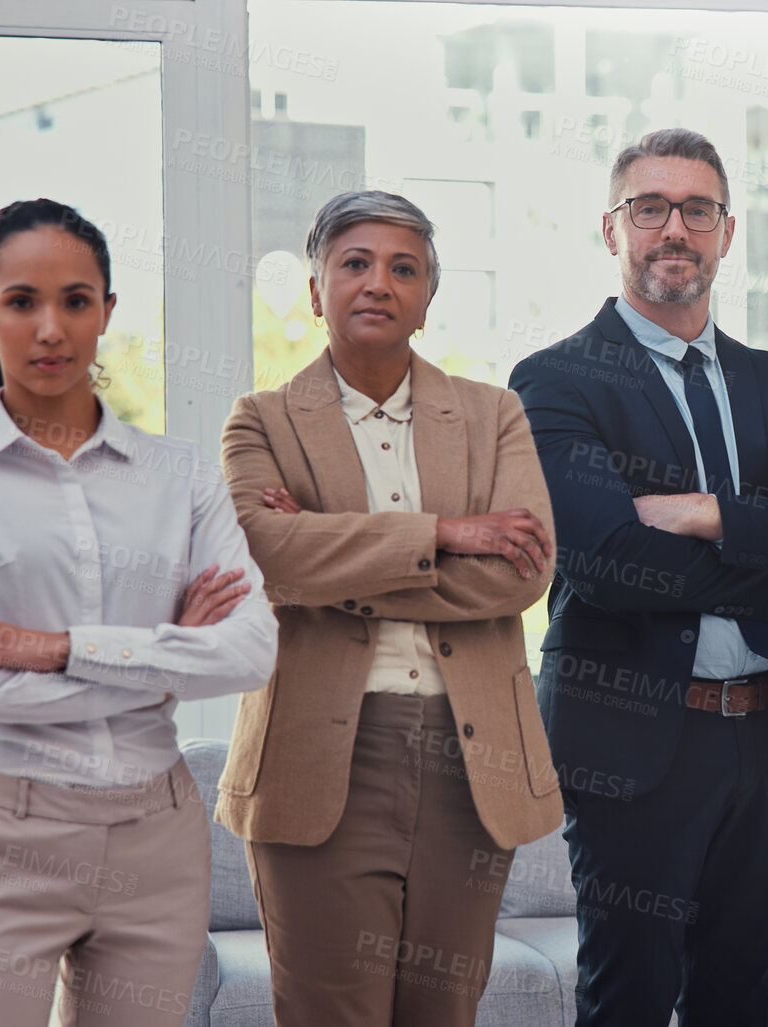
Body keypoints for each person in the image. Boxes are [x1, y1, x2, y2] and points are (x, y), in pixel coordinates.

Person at [508, 127, 768, 1026]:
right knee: (626, 1000)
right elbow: (608, 564)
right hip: (630, 740)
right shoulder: (555, 380)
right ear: (611, 228)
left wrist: (709, 513)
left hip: (764, 733)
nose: (674, 228)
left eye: (697, 209)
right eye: (650, 208)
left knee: (740, 1002)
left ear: (726, 232)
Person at [0, 198, 277, 1027]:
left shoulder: (180, 474)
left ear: (106, 311)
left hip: (159, 839)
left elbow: (250, 650)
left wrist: (49, 646)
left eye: (75, 300)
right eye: (21, 301)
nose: (50, 329)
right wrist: (164, 658)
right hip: (8, 831)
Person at [214, 189, 562, 1026]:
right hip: (316, 758)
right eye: (355, 263)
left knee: (444, 1011)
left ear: (427, 297)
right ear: (315, 290)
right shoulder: (260, 420)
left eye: (404, 268)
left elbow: (520, 575)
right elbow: (268, 554)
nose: (378, 283)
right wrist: (446, 532)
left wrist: (327, 550)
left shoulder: (493, 414)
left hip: (470, 759)